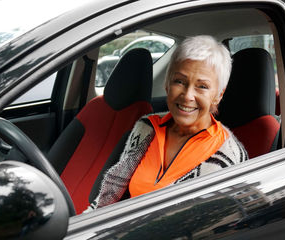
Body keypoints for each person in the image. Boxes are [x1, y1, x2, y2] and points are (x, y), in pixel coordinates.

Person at [86, 35, 248, 211]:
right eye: (179, 81)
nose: (187, 96)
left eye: (202, 86)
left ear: (218, 96)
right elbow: (109, 196)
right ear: (167, 85)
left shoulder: (230, 156)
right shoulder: (146, 127)